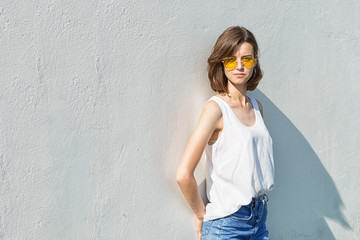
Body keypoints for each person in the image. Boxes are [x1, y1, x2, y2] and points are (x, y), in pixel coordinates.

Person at [176, 26, 275, 240]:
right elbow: (183, 175)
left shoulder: (257, 107)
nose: (239, 66)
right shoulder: (215, 109)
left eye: (246, 59)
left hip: (260, 220)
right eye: (231, 60)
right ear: (222, 63)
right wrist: (201, 215)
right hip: (227, 225)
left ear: (255, 62)